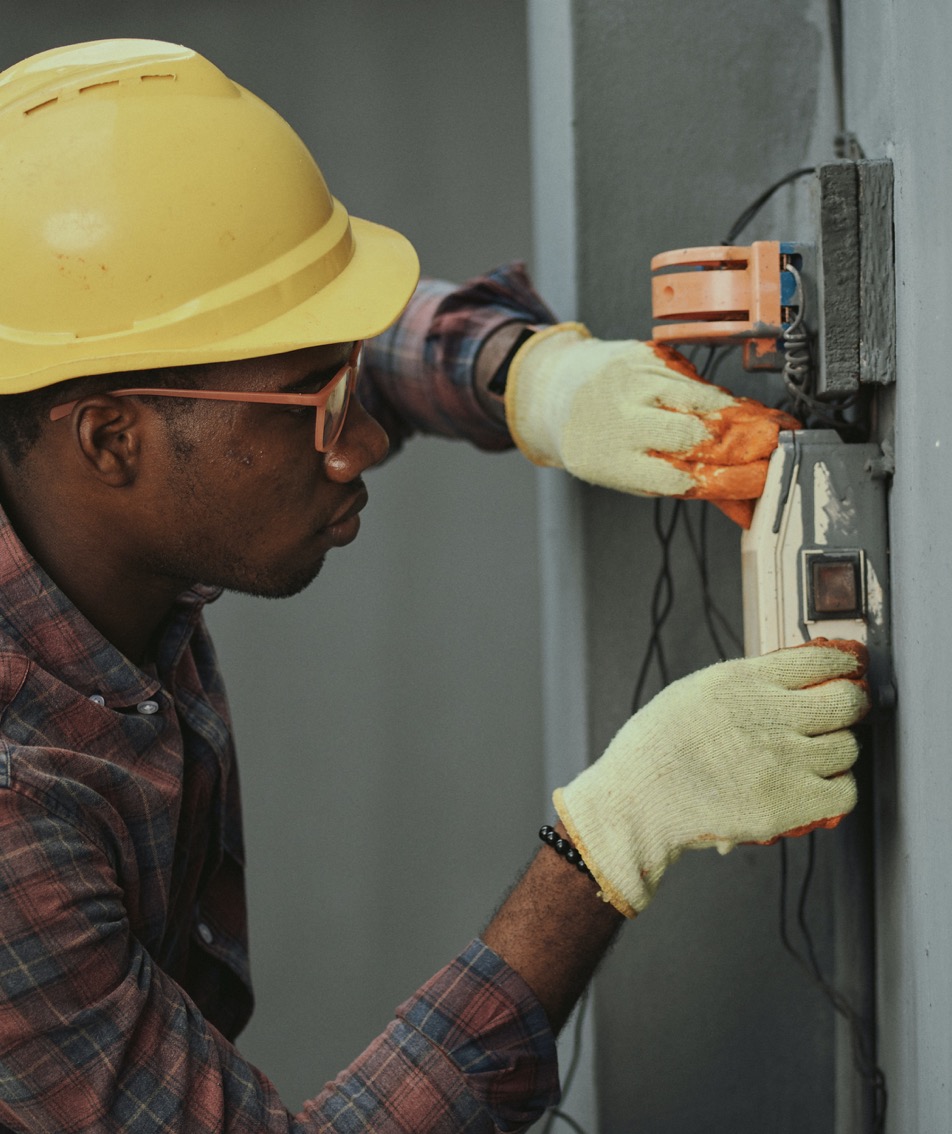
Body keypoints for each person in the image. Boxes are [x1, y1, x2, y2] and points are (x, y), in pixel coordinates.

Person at [0, 39, 869, 1132]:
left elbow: (264, 351)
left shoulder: (68, 432)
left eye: (350, 374)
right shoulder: (14, 811)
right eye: (319, 409)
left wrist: (529, 380)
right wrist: (606, 843)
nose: (361, 440)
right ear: (112, 440)